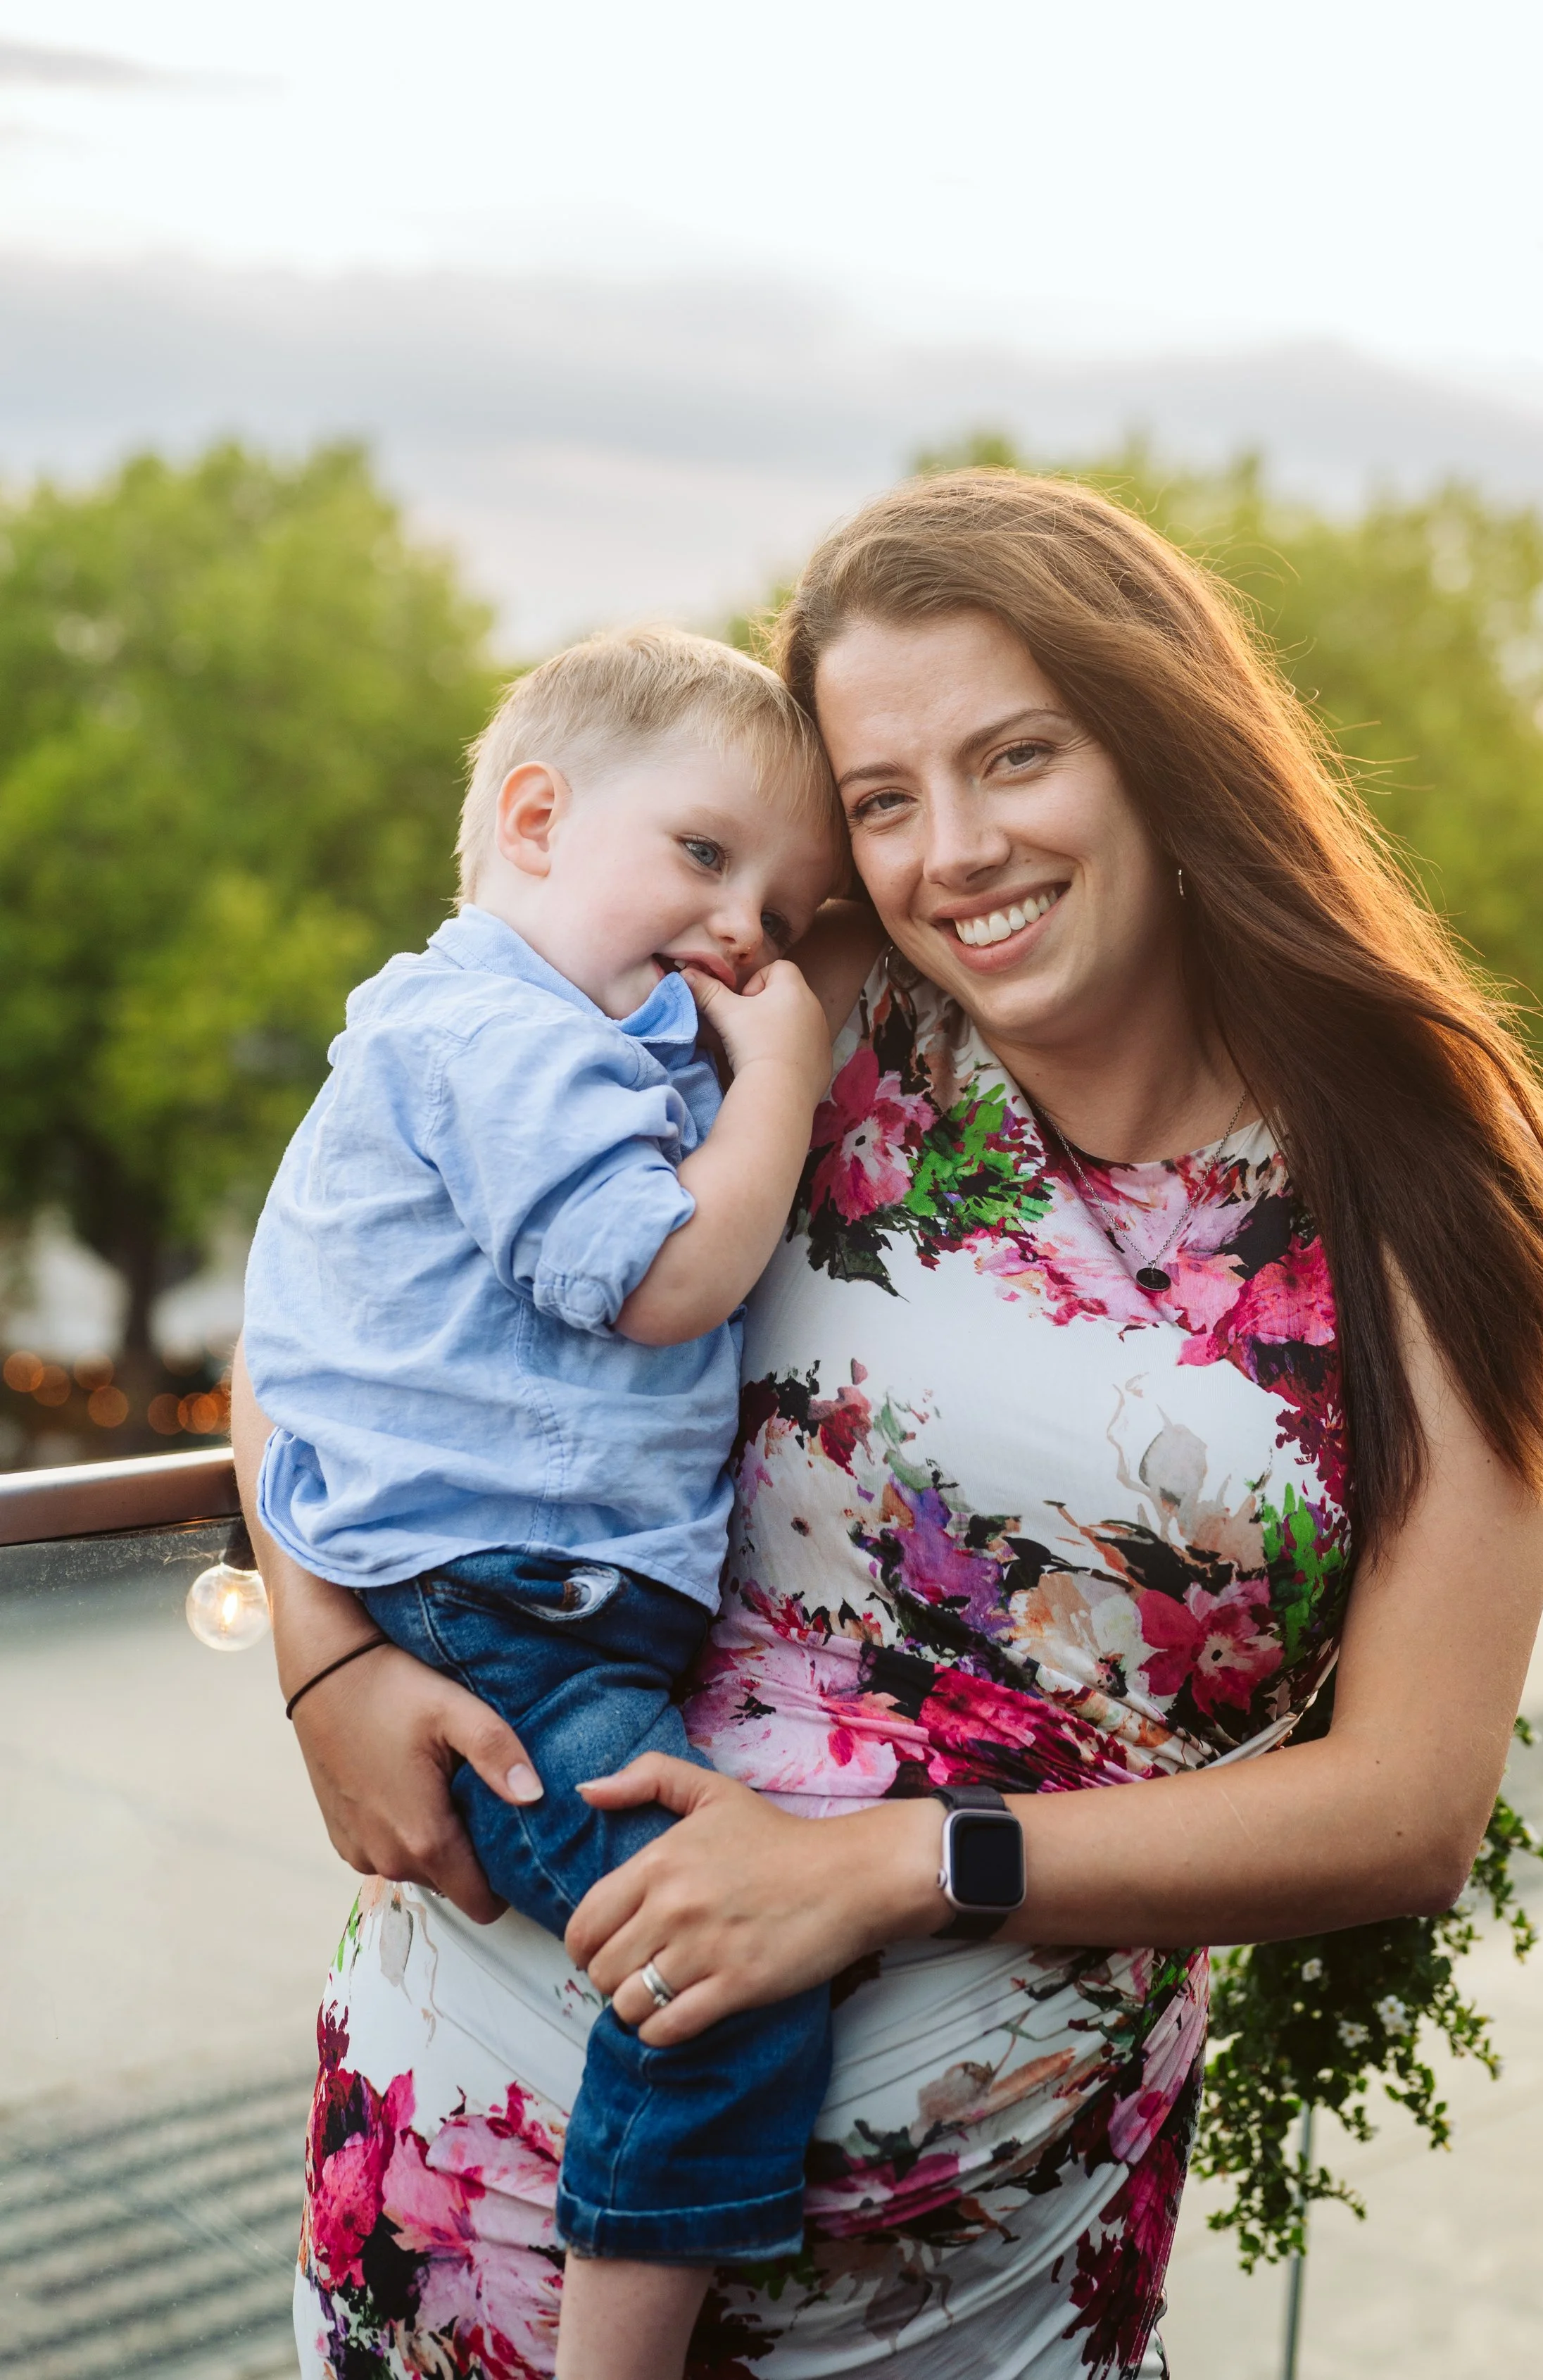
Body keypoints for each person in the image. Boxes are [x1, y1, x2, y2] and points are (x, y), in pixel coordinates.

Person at [234, 470, 1543, 2380]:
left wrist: (893, 1862)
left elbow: (1407, 1808)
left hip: (970, 2293)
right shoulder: (782, 1019)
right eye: (881, 799)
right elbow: (340, 1274)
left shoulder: (1423, 1176)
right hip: (466, 2192)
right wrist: (322, 1660)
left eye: (1014, 756)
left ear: (1158, 745)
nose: (951, 850)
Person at [241, 627, 859, 2380]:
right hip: (501, 1616)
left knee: (687, 1940)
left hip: (524, 1601)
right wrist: (786, 1088)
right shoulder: (498, 1032)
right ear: (531, 817)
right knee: (716, 1977)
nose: (747, 931)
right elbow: (652, 1276)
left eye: (785, 908)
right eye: (704, 858)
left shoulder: (552, 1034)